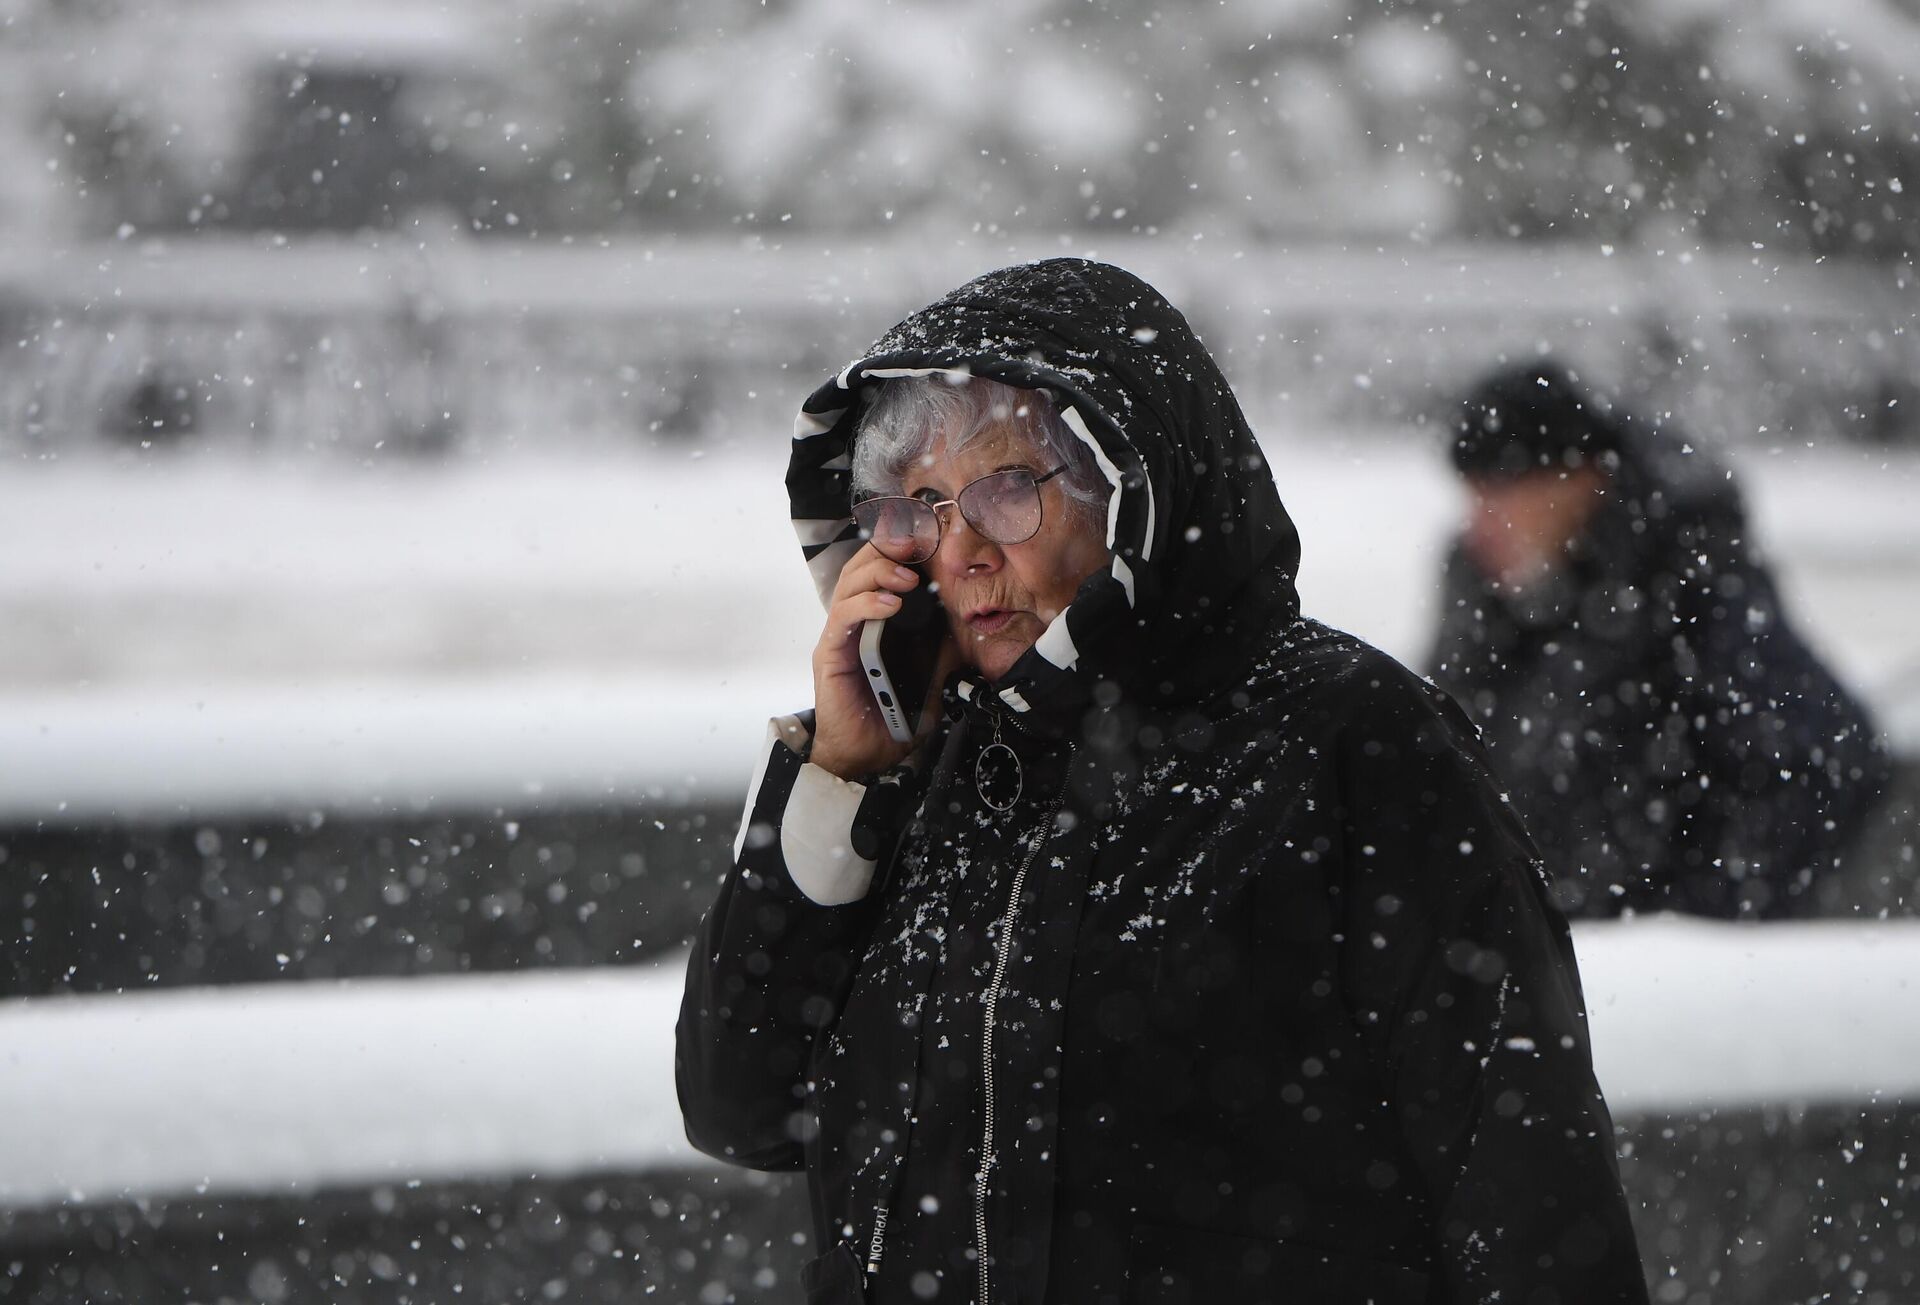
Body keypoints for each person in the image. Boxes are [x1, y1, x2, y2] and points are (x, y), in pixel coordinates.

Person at [678, 261, 1649, 1305]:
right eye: (918, 508)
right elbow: (739, 1108)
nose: (959, 552)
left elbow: (1529, 1193)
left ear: (1134, 490)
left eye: (1007, 489)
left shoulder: (1352, 740)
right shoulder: (919, 759)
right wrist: (841, 776)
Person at [1426, 360, 1888, 919]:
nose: (1480, 523)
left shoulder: (1691, 573)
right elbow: (1442, 750)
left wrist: (1686, 930)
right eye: (1473, 497)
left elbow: (1807, 759)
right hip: (1540, 933)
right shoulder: (1484, 579)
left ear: (1581, 479)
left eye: (1501, 494)